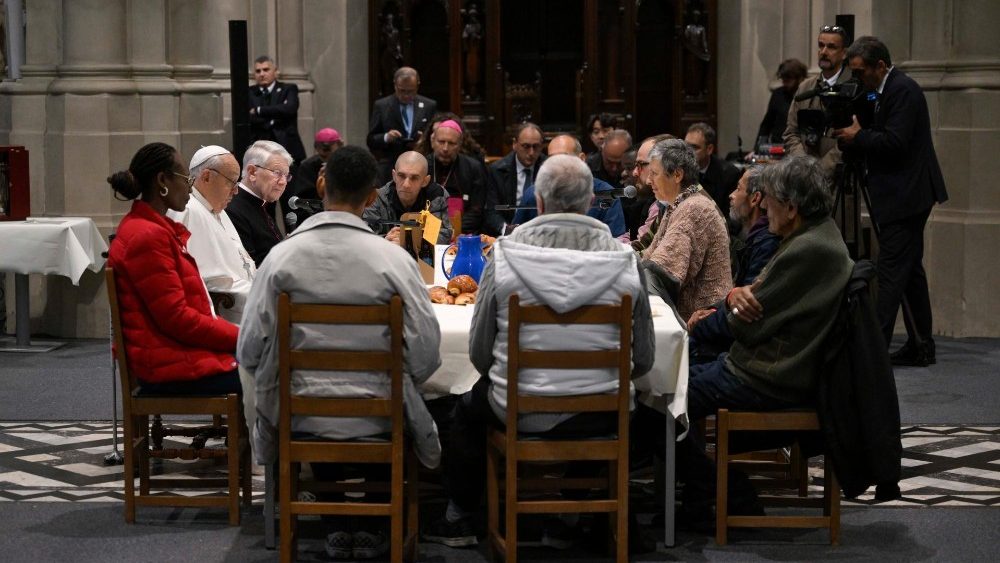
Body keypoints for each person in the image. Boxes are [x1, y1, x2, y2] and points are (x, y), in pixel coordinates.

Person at [423, 154, 655, 548]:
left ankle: (461, 516)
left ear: (540, 202)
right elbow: (644, 360)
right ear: (588, 202)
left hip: (517, 407)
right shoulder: (626, 263)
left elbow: (480, 355)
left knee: (462, 407)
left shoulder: (507, 256)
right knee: (647, 413)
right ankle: (584, 511)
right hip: (602, 412)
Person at [237, 146, 442, 559]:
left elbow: (249, 349)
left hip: (302, 412)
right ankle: (368, 517)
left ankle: (334, 521)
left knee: (319, 396)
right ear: (372, 198)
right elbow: (427, 353)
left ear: (322, 185)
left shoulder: (281, 258)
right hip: (379, 413)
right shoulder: (394, 261)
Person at [676, 155, 854, 528]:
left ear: (790, 207)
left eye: (769, 198)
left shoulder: (806, 249)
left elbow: (748, 326)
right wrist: (733, 298)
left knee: (667, 399)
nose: (764, 204)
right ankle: (697, 498)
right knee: (676, 379)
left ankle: (725, 490)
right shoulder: (814, 236)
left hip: (770, 376)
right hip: (772, 364)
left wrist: (733, 307)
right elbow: (749, 305)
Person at [833, 36, 948, 366]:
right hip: (902, 193)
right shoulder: (881, 91)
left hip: (908, 196)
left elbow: (896, 142)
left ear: (880, 66)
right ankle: (921, 344)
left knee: (891, 271)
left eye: (861, 72)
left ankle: (873, 352)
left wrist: (859, 136)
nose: (858, 79)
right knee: (909, 270)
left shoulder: (903, 90)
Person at [106, 142, 240, 396]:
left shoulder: (151, 228)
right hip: (169, 365)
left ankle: (256, 435)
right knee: (275, 369)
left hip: (173, 354)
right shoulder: (146, 236)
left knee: (271, 360)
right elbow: (178, 319)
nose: (189, 186)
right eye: (184, 178)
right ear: (162, 181)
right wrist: (241, 337)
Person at [686, 166, 781, 363]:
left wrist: (705, 322)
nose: (731, 195)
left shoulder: (767, 244)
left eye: (738, 189)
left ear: (755, 198)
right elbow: (734, 297)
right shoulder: (755, 238)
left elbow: (746, 310)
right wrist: (714, 310)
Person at [641, 139, 732, 321]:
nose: (648, 180)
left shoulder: (694, 208)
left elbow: (662, 272)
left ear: (677, 175)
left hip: (703, 322)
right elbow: (649, 256)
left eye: (654, 174)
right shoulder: (679, 204)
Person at [165, 145, 255, 324]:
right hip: (224, 310)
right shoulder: (187, 210)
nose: (236, 191)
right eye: (231, 182)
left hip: (241, 296)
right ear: (206, 176)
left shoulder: (217, 209)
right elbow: (201, 282)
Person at [511, 134, 626, 238]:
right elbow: (514, 237)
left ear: (581, 159)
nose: (557, 165)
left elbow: (616, 244)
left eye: (564, 158)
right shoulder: (533, 193)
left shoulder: (607, 194)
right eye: (552, 159)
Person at [783, 25, 852, 174]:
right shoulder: (805, 87)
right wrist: (804, 163)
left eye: (831, 47)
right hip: (806, 179)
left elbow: (850, 139)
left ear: (844, 53)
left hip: (840, 180)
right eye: (821, 45)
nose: (824, 52)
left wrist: (822, 168)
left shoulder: (853, 88)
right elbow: (791, 132)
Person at [226, 140, 292, 267]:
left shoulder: (261, 203)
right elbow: (248, 267)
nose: (283, 182)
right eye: (277, 173)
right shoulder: (233, 209)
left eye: (286, 175)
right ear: (252, 172)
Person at [368, 67, 438, 185]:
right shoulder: (382, 105)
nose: (406, 95)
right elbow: (371, 140)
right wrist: (386, 137)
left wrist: (424, 139)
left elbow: (435, 136)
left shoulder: (429, 105)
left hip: (420, 165)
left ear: (417, 85)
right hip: (390, 166)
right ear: (395, 85)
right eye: (402, 91)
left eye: (410, 91)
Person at [363, 151, 453, 244]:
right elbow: (365, 235)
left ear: (425, 181)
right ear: (394, 176)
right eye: (401, 176)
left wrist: (409, 241)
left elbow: (443, 234)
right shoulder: (376, 197)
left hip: (423, 257)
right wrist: (386, 241)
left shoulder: (436, 196)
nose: (406, 184)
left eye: (414, 178)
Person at [425, 119, 492, 235]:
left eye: (451, 143)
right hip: (427, 231)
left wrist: (452, 231)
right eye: (441, 142)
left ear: (460, 145)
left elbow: (476, 210)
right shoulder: (423, 166)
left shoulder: (474, 168)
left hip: (464, 233)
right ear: (433, 142)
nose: (445, 148)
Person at [486, 122, 546, 233]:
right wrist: (508, 230)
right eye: (526, 146)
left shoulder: (548, 168)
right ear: (515, 144)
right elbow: (492, 211)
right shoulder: (497, 170)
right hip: (508, 231)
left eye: (536, 147)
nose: (531, 152)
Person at [248, 56, 306, 165]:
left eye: (266, 70)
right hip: (259, 149)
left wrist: (258, 110)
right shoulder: (248, 92)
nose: (262, 74)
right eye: (258, 71)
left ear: (275, 71)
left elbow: (290, 109)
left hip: (287, 147)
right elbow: (247, 117)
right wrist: (277, 114)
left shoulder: (288, 89)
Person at [284, 127, 343, 231]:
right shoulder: (307, 166)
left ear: (339, 145)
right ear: (316, 148)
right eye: (323, 157)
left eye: (331, 156)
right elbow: (303, 201)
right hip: (315, 221)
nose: (327, 160)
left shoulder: (348, 164)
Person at [625, 133, 675, 248]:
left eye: (641, 165)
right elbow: (641, 242)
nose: (635, 173)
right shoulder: (658, 203)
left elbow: (643, 249)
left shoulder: (684, 204)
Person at [684, 122, 741, 219]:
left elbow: (731, 218)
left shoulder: (729, 174)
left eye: (695, 147)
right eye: (686, 146)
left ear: (709, 149)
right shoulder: (681, 170)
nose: (688, 152)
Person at [754, 58, 808, 151]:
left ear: (800, 78)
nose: (784, 82)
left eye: (788, 78)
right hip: (778, 147)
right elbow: (767, 124)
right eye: (783, 78)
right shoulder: (778, 94)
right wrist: (757, 149)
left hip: (800, 148)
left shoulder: (807, 95)